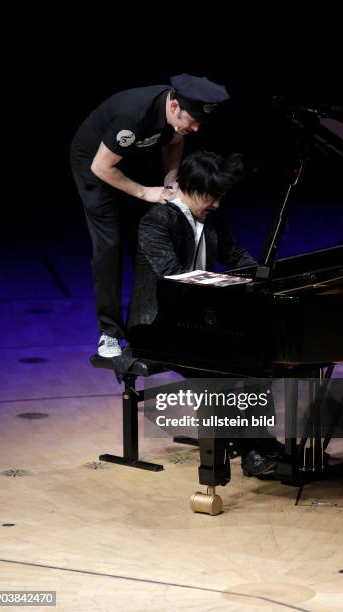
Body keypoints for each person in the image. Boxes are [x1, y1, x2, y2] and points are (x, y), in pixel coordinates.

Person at [127, 151, 283, 475]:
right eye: (211, 197)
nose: (216, 205)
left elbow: (236, 254)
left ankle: (261, 442)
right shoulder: (156, 221)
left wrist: (263, 278)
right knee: (223, 368)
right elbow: (173, 277)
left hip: (196, 321)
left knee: (260, 358)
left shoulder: (212, 219)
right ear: (189, 186)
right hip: (157, 325)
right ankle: (250, 448)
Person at [70, 74, 229, 358]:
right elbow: (102, 167)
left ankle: (153, 323)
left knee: (150, 233)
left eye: (198, 123)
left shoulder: (180, 119)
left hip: (132, 160)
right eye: (191, 121)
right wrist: (144, 192)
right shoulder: (134, 115)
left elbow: (174, 143)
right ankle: (109, 333)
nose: (195, 128)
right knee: (110, 245)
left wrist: (170, 182)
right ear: (174, 107)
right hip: (95, 164)